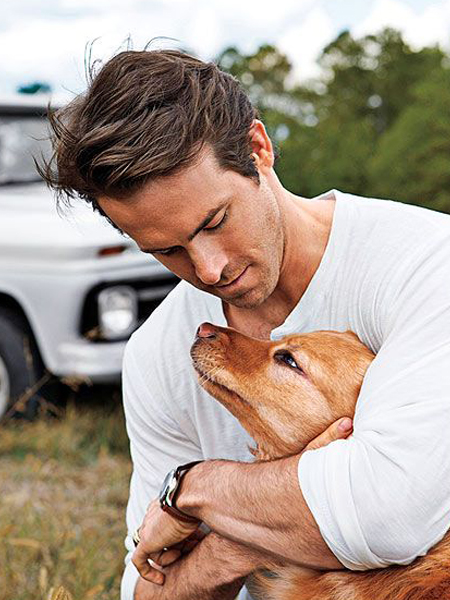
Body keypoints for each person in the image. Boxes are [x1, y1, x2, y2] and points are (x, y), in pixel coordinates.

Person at [41, 49, 450, 600]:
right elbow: (149, 585)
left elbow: (389, 516)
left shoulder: (427, 264)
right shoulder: (156, 352)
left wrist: (196, 488)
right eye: (166, 250)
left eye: (215, 221)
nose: (209, 270)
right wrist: (242, 542)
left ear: (259, 149)